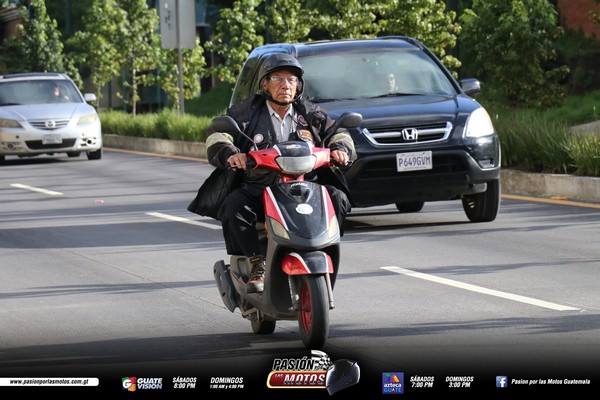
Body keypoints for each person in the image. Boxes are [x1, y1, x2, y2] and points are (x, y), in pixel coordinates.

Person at [204, 53, 356, 293]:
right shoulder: (245, 113)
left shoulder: (310, 113)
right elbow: (217, 135)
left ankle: (324, 249)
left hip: (305, 188)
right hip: (260, 187)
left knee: (337, 197)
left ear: (299, 86)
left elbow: (339, 133)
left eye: (292, 80)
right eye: (278, 78)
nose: (286, 85)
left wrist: (340, 149)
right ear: (265, 84)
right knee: (234, 205)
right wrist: (231, 153)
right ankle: (257, 262)